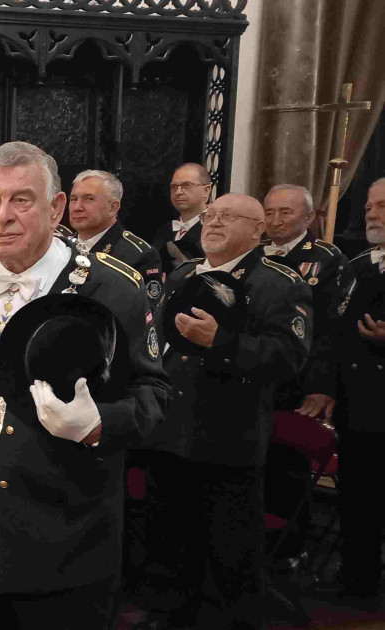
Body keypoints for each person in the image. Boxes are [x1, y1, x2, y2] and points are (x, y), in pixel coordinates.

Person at [0, 141, 170, 628]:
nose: (2, 216)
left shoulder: (115, 287)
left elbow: (156, 398)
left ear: (56, 209)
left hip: (65, 537)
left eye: (21, 200)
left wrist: (98, 423)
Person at [144, 194, 312, 629]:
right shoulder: (182, 273)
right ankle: (169, 617)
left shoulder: (278, 282)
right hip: (168, 430)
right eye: (210, 216)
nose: (213, 223)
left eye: (227, 217)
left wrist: (222, 342)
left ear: (257, 231)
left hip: (226, 437)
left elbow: (288, 357)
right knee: (169, 541)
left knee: (228, 554)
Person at [306, 177, 385, 609]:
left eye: (382, 206)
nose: (371, 213)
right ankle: (358, 580)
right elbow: (333, 334)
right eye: (371, 205)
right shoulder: (360, 265)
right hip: (360, 407)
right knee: (359, 499)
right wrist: (324, 386)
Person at [259, 184, 348, 409]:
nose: (275, 220)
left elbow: (331, 330)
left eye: (285, 212)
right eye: (269, 212)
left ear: (308, 218)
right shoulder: (253, 253)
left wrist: (321, 385)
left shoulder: (328, 259)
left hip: (301, 376)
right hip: (256, 367)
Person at [69, 169, 163, 305]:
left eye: (89, 199)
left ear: (113, 208)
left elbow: (143, 313)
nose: (77, 207)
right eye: (73, 199)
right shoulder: (60, 245)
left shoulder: (139, 254)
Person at [152, 163, 212, 276]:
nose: (178, 192)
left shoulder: (216, 229)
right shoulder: (164, 231)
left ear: (207, 190)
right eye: (174, 187)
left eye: (187, 185)